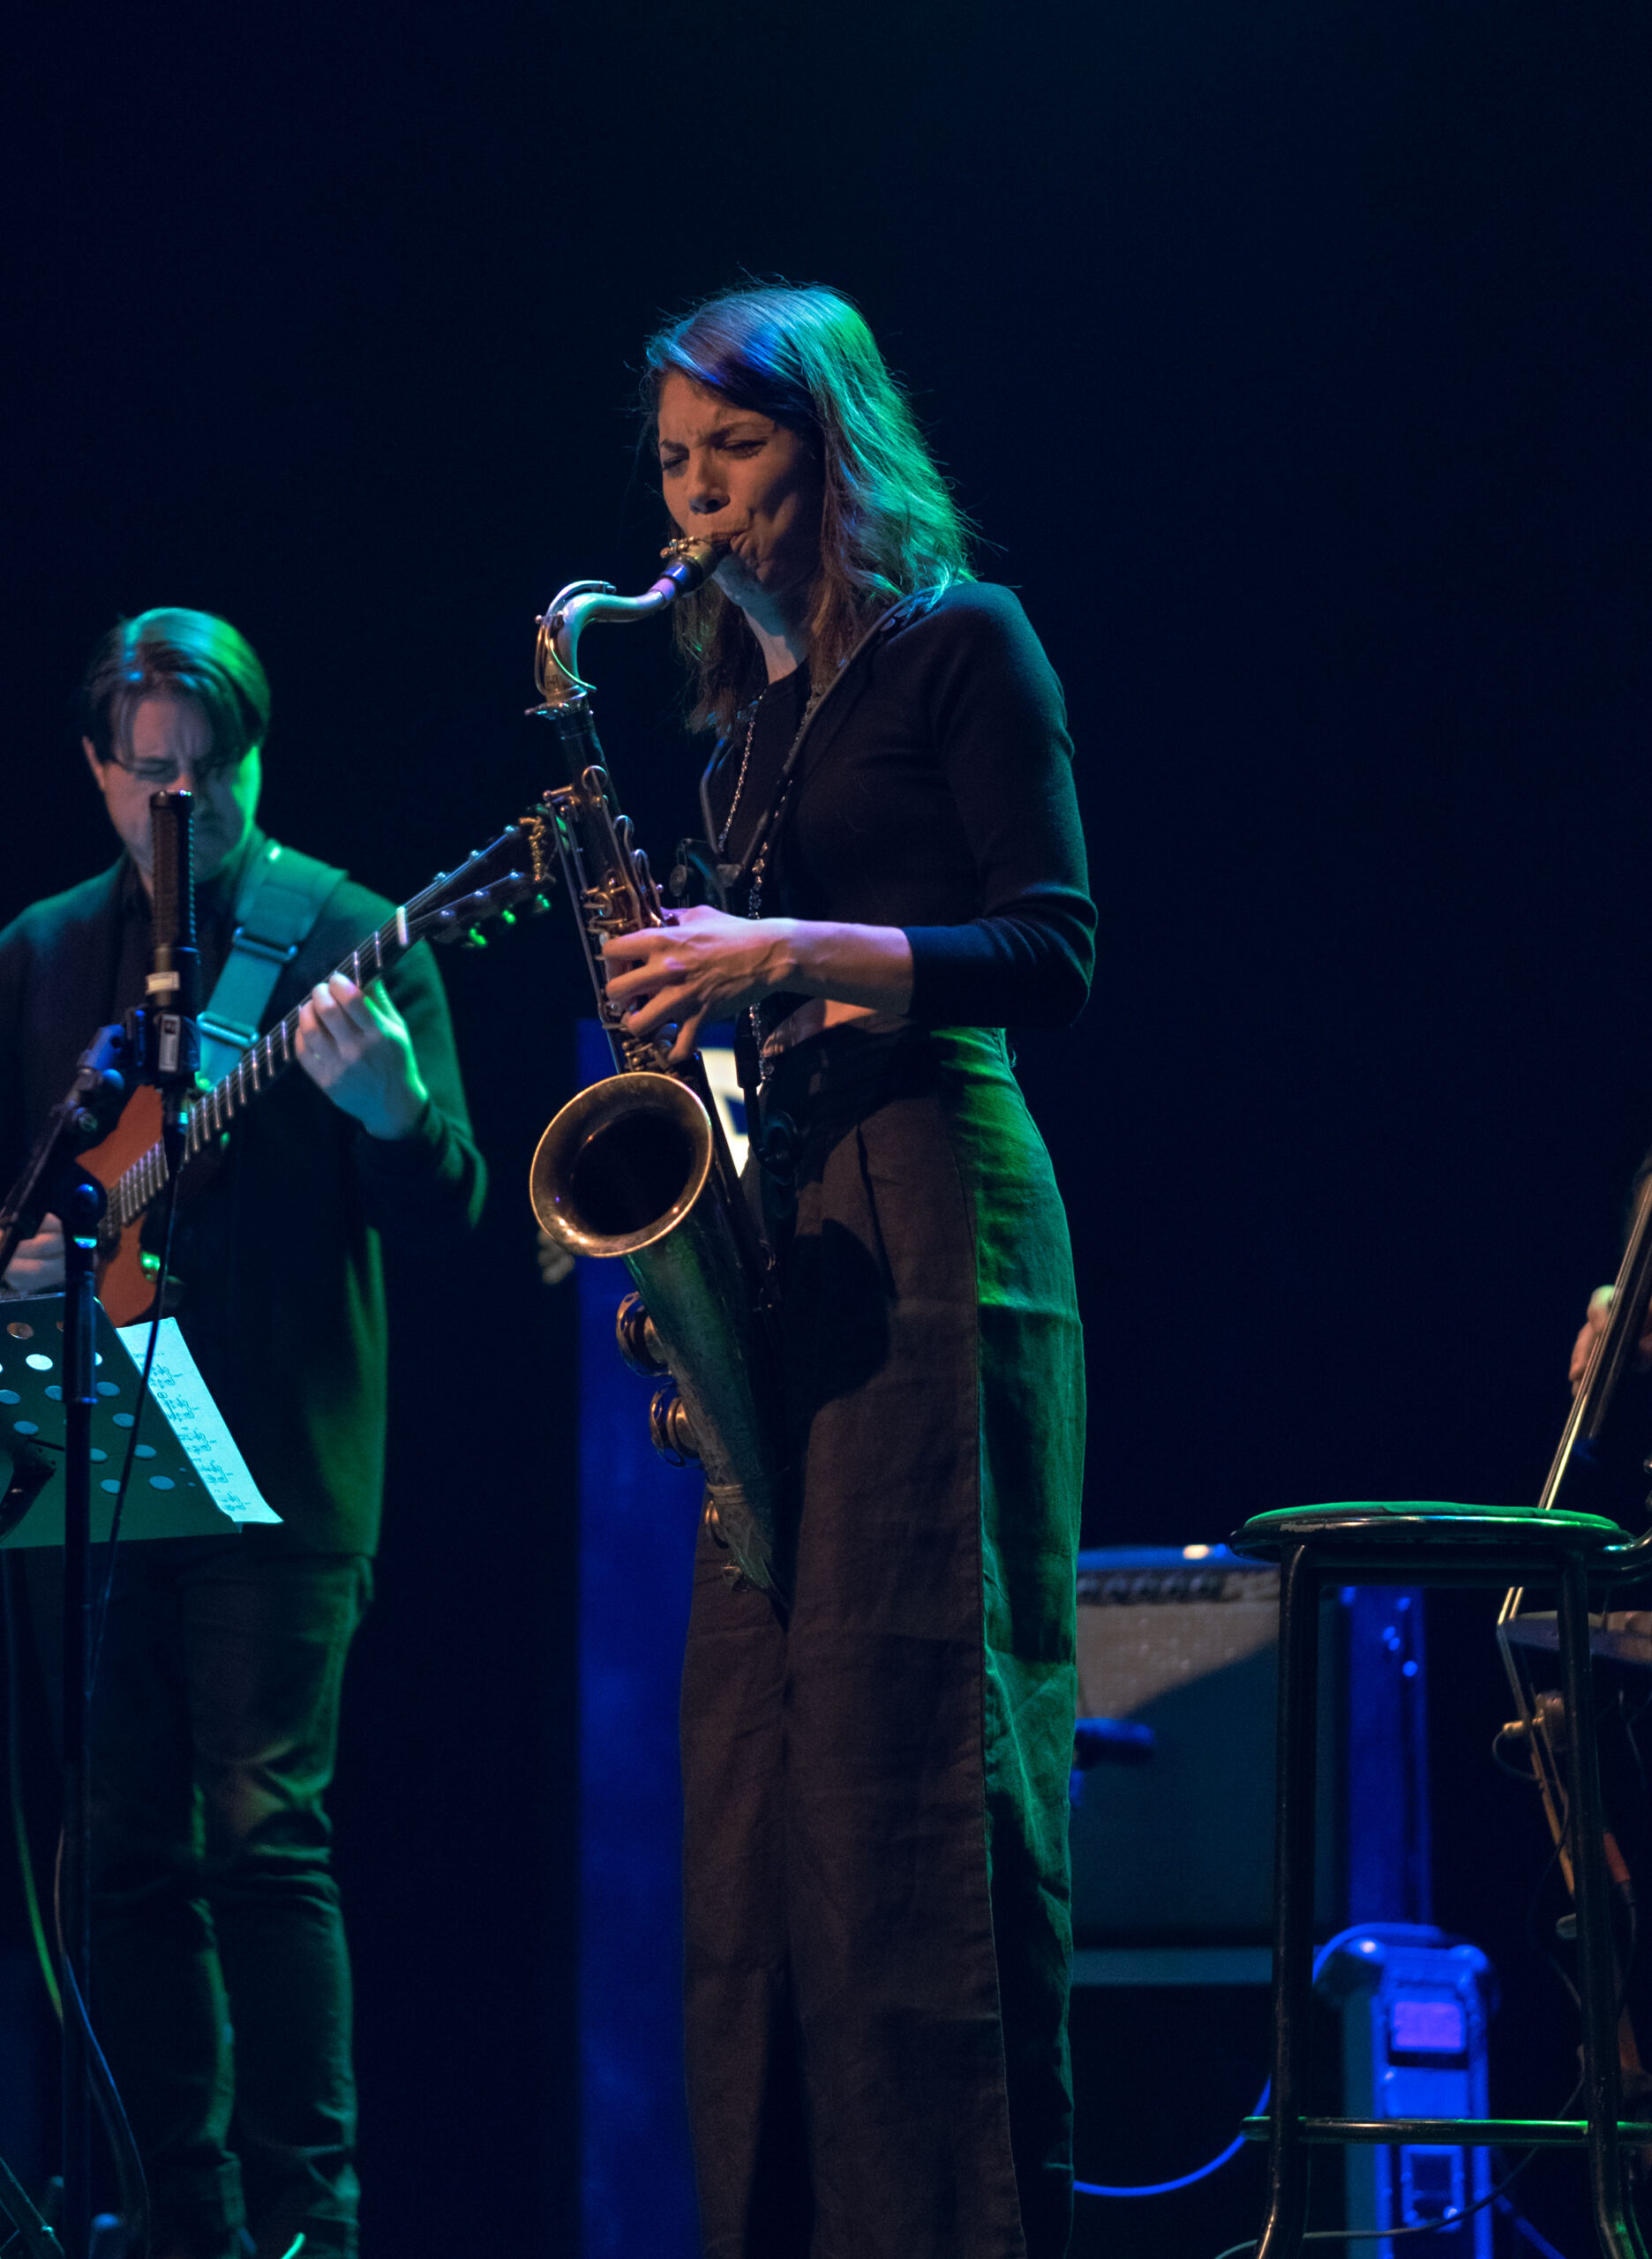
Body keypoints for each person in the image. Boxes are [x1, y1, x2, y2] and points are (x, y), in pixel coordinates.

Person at [599, 286, 1097, 2257]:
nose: (695, 498)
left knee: (914, 1780)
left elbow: (1054, 950)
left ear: (831, 448)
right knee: (754, 1815)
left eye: (731, 450)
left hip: (942, 1218)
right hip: (799, 1238)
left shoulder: (967, 643)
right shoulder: (747, 729)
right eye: (670, 462)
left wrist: (780, 951)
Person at [0, 609, 484, 2259]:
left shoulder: (350, 937)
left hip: (280, 1477)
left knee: (263, 1835)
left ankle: (311, 2224)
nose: (184, 804)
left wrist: (393, 1112)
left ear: (255, 761)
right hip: (91, 1468)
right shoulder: (36, 958)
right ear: (97, 771)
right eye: (151, 773)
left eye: (211, 772)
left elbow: (459, 1218)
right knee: (119, 1856)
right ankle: (184, 2220)